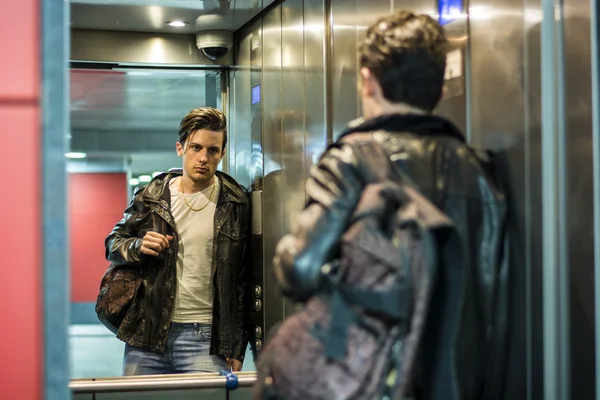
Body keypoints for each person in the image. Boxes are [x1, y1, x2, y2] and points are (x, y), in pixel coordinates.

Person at [272, 11, 508, 399]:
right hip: (461, 382)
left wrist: (287, 247)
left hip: (370, 379)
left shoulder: (349, 161)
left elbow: (300, 269)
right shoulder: (480, 170)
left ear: (367, 81)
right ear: (440, 89)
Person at [105, 107, 251, 375]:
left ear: (222, 154)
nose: (203, 158)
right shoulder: (152, 196)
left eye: (212, 150)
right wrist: (138, 247)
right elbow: (113, 243)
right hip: (147, 336)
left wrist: (236, 346)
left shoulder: (235, 202)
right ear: (180, 148)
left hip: (205, 338)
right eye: (196, 147)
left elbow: (242, 279)